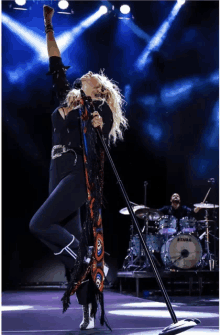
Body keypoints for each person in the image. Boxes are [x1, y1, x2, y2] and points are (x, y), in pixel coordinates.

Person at [29, 5, 128, 331]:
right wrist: (48, 28)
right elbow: (56, 64)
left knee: (40, 224)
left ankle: (85, 261)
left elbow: (101, 133)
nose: (86, 74)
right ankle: (87, 310)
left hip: (78, 170)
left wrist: (99, 123)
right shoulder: (67, 99)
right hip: (56, 170)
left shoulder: (97, 106)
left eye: (93, 76)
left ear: (98, 89)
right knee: (66, 243)